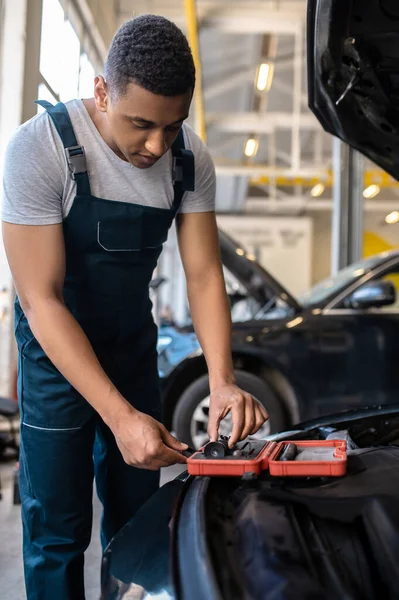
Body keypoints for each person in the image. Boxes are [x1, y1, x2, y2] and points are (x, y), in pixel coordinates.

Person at [1, 14, 268, 600]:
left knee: (135, 518)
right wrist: (119, 419)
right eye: (141, 124)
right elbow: (41, 301)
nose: (155, 146)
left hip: (129, 343)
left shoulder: (188, 158)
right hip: (54, 356)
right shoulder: (38, 150)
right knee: (58, 529)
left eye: (171, 127)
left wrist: (222, 380)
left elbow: (201, 273)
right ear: (102, 91)